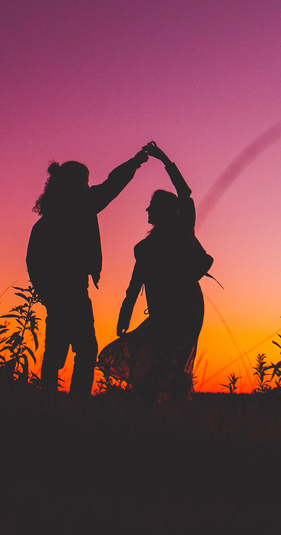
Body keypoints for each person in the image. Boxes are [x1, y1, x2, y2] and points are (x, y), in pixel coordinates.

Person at [27, 149, 147, 395]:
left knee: (55, 351)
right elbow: (111, 186)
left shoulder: (45, 221)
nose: (88, 186)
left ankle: (47, 403)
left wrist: (45, 293)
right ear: (75, 182)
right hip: (73, 292)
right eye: (86, 181)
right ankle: (77, 403)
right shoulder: (80, 205)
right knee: (85, 350)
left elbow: (31, 261)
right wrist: (134, 163)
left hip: (55, 295)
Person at [99, 142, 213, 400]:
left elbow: (185, 193)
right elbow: (135, 284)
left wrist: (164, 159)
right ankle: (165, 410)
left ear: (162, 211)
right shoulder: (145, 247)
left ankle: (169, 412)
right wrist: (124, 317)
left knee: (171, 360)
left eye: (151, 206)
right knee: (159, 360)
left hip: (185, 310)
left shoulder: (184, 234)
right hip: (169, 311)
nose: (147, 210)